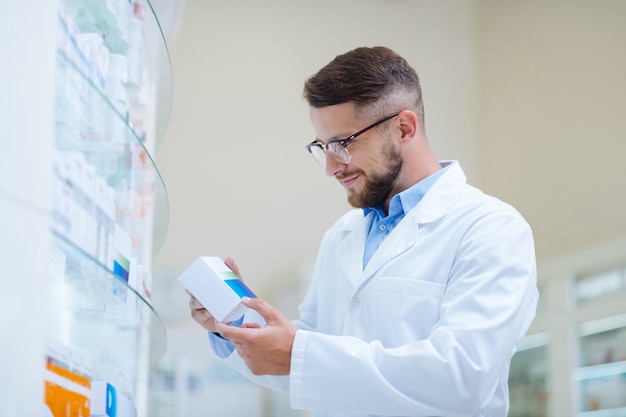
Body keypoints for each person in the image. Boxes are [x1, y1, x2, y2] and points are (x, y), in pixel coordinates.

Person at [188, 46, 538, 417]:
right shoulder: (342, 235)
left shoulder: (490, 228)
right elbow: (304, 366)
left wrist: (301, 353)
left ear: (403, 127)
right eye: (322, 147)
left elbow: (462, 379)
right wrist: (236, 323)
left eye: (342, 144)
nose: (331, 167)